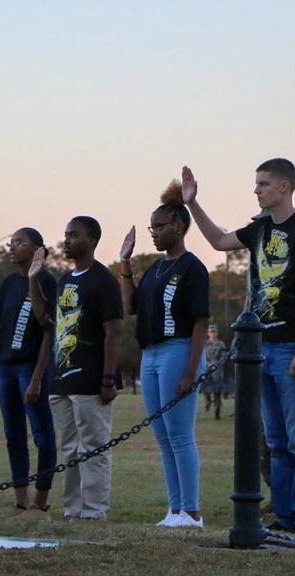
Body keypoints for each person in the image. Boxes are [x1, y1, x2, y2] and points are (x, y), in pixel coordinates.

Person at [182, 160, 295, 534]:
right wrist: (192, 204)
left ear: (284, 186)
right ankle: (285, 515)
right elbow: (219, 241)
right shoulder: (260, 228)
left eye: (263, 184)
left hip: (290, 347)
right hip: (261, 348)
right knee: (276, 441)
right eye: (256, 184)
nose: (257, 190)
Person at [120, 179, 210, 528]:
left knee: (180, 434)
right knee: (162, 437)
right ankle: (175, 510)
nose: (154, 233)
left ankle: (191, 511)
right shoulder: (156, 268)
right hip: (152, 354)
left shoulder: (193, 267)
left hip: (179, 350)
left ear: (178, 226)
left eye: (159, 227)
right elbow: (131, 306)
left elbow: (200, 323)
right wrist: (126, 262)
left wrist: (191, 371)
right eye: (150, 228)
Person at [29, 216, 123, 521]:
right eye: (65, 234)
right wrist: (33, 279)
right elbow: (46, 319)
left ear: (92, 241)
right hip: (62, 380)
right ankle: (73, 508)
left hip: (91, 380)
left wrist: (108, 379)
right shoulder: (65, 280)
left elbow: (113, 333)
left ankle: (94, 511)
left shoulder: (104, 280)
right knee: (70, 449)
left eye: (74, 235)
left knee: (94, 447)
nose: (67, 240)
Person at [0, 228, 58, 520]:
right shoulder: (11, 282)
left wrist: (38, 376)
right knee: (14, 435)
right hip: (6, 367)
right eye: (11, 242)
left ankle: (41, 504)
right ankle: (21, 503)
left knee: (42, 434)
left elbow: (49, 330)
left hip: (30, 366)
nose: (12, 247)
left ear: (38, 249)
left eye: (20, 243)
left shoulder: (46, 281)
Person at [201, 325, 227, 419]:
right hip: (206, 367)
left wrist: (217, 364)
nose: (213, 333)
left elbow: (224, 356)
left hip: (217, 367)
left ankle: (217, 408)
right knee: (205, 387)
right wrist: (208, 364)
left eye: (214, 331)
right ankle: (207, 401)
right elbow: (202, 356)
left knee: (217, 389)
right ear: (208, 333)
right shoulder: (205, 344)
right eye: (211, 331)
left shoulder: (221, 344)